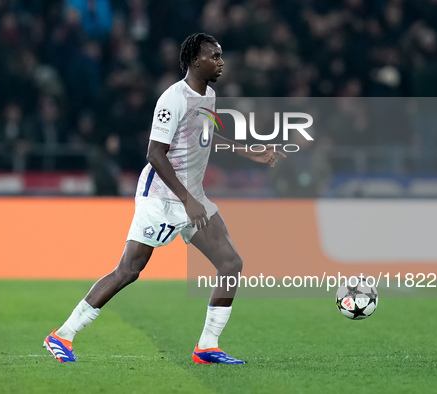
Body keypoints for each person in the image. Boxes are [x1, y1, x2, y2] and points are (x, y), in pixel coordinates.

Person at [43, 33, 285, 364]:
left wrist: (249, 153)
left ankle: (207, 347)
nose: (221, 62)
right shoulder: (173, 99)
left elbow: (206, 135)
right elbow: (155, 154)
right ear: (195, 60)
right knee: (129, 269)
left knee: (231, 263)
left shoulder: (208, 95)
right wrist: (187, 200)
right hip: (161, 195)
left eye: (221, 55)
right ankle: (62, 335)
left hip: (191, 196)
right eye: (214, 56)